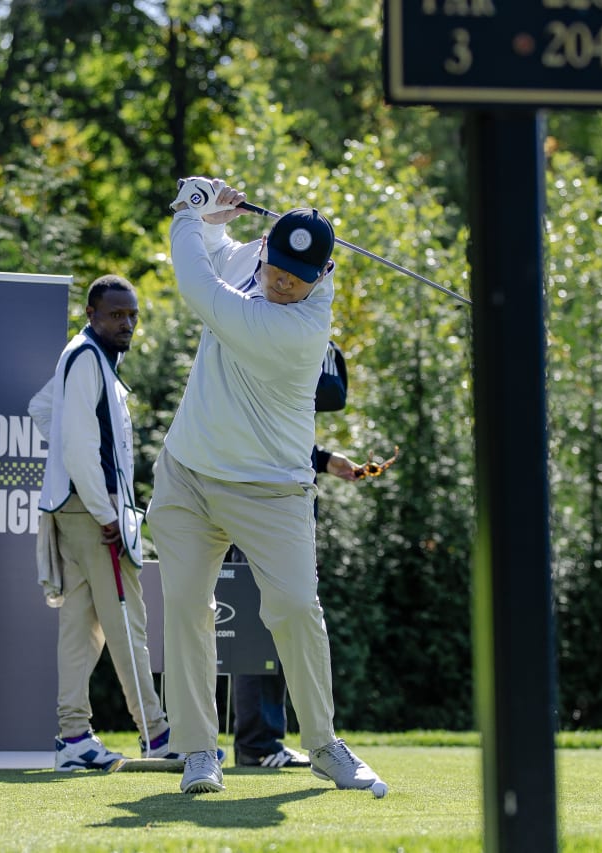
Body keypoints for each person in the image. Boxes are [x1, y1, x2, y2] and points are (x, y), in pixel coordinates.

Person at [148, 177, 388, 796]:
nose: (282, 283)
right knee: (185, 610)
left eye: (296, 276)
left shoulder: (302, 330)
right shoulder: (252, 259)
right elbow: (218, 248)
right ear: (265, 252)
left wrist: (186, 214)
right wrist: (212, 216)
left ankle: (325, 747)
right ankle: (200, 751)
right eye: (275, 268)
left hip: (271, 489)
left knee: (295, 610)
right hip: (189, 475)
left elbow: (200, 289)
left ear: (324, 272)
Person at [29, 274, 178, 771]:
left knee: (80, 628)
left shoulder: (85, 356)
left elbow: (42, 410)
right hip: (95, 516)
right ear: (92, 314)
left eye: (132, 314)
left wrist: (79, 489)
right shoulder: (87, 356)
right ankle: (157, 736)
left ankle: (73, 737)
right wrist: (103, 509)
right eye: (116, 314)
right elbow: (74, 443)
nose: (127, 323)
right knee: (126, 624)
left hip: (74, 511)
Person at [233, 342, 361, 770]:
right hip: (252, 505)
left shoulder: (298, 349)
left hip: (283, 509)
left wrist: (324, 461)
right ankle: (256, 743)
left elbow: (327, 398)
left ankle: (265, 739)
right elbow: (326, 393)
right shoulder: (257, 344)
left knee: (283, 623)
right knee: (258, 628)